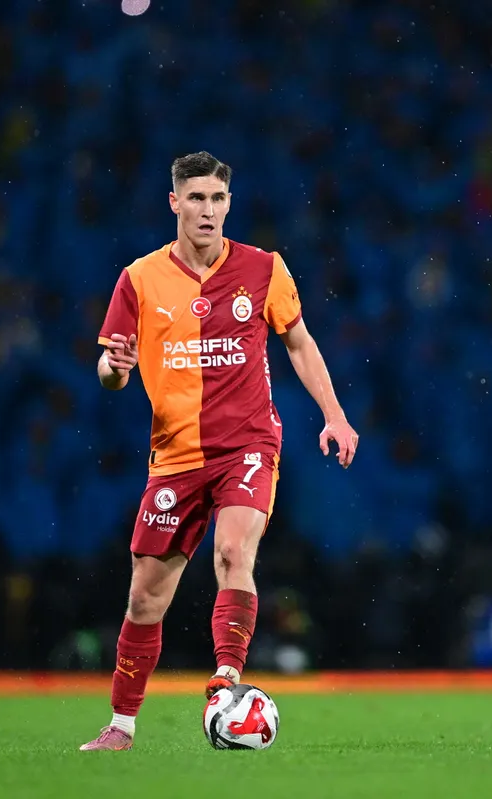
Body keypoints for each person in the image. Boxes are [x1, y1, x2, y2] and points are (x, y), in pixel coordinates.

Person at [80, 152, 359, 751]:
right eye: (197, 198)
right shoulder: (139, 279)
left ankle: (226, 682)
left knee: (235, 552)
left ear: (229, 204)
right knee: (144, 597)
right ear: (174, 203)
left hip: (249, 444)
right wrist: (113, 367)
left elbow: (301, 344)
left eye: (218, 199)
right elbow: (110, 370)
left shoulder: (264, 269)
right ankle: (121, 726)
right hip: (176, 458)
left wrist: (335, 417)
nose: (208, 210)